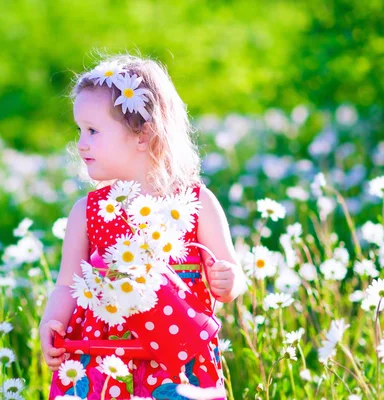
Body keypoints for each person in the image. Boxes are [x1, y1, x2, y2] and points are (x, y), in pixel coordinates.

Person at [39, 53, 247, 399]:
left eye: (93, 130)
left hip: (178, 362)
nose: (81, 143)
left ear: (142, 134)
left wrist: (229, 280)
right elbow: (66, 284)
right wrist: (51, 321)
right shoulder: (87, 212)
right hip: (103, 362)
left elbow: (231, 274)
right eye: (80, 130)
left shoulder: (196, 203)